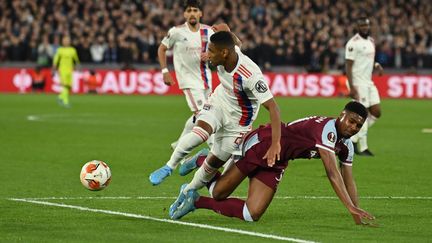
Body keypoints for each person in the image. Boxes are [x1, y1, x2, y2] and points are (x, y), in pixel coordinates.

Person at [170, 101, 376, 226]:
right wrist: (349, 207)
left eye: (358, 125)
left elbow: (348, 178)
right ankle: (203, 160)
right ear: (342, 115)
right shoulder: (327, 130)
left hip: (278, 160)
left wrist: (357, 211)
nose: (354, 127)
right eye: (351, 121)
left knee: (252, 214)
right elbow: (332, 173)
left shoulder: (346, 145)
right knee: (218, 193)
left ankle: (196, 201)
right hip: (263, 144)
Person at [167, 30, 281, 217]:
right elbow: (226, 31)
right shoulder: (225, 54)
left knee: (219, 193)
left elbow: (274, 108)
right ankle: (189, 183)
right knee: (202, 131)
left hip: (240, 123)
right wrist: (221, 30)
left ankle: (200, 160)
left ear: (225, 53)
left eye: (211, 51)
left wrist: (276, 143)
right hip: (220, 104)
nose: (207, 55)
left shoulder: (251, 75)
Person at [149, 0, 217, 185]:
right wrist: (165, 71)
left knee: (203, 115)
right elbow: (162, 48)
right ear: (185, 14)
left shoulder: (208, 31)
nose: (192, 13)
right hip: (189, 82)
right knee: (205, 117)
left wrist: (210, 55)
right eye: (189, 11)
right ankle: (213, 151)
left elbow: (217, 52)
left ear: (201, 13)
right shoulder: (176, 32)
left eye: (195, 10)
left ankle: (179, 144)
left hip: (206, 81)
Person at [345, 16, 383, 156]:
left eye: (366, 25)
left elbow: (367, 60)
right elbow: (348, 65)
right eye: (362, 25)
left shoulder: (371, 41)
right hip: (358, 82)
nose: (365, 28)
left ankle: (354, 138)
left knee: (377, 112)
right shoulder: (353, 43)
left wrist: (377, 65)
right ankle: (363, 147)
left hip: (369, 81)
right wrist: (352, 86)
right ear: (358, 27)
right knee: (364, 113)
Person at [52, 35, 80, 107]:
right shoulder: (60, 50)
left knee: (69, 86)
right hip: (62, 70)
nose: (66, 42)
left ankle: (60, 97)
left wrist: (78, 67)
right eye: (65, 40)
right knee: (65, 86)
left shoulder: (73, 50)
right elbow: (56, 60)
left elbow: (76, 60)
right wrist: (54, 69)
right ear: (62, 41)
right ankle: (65, 102)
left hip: (70, 71)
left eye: (68, 40)